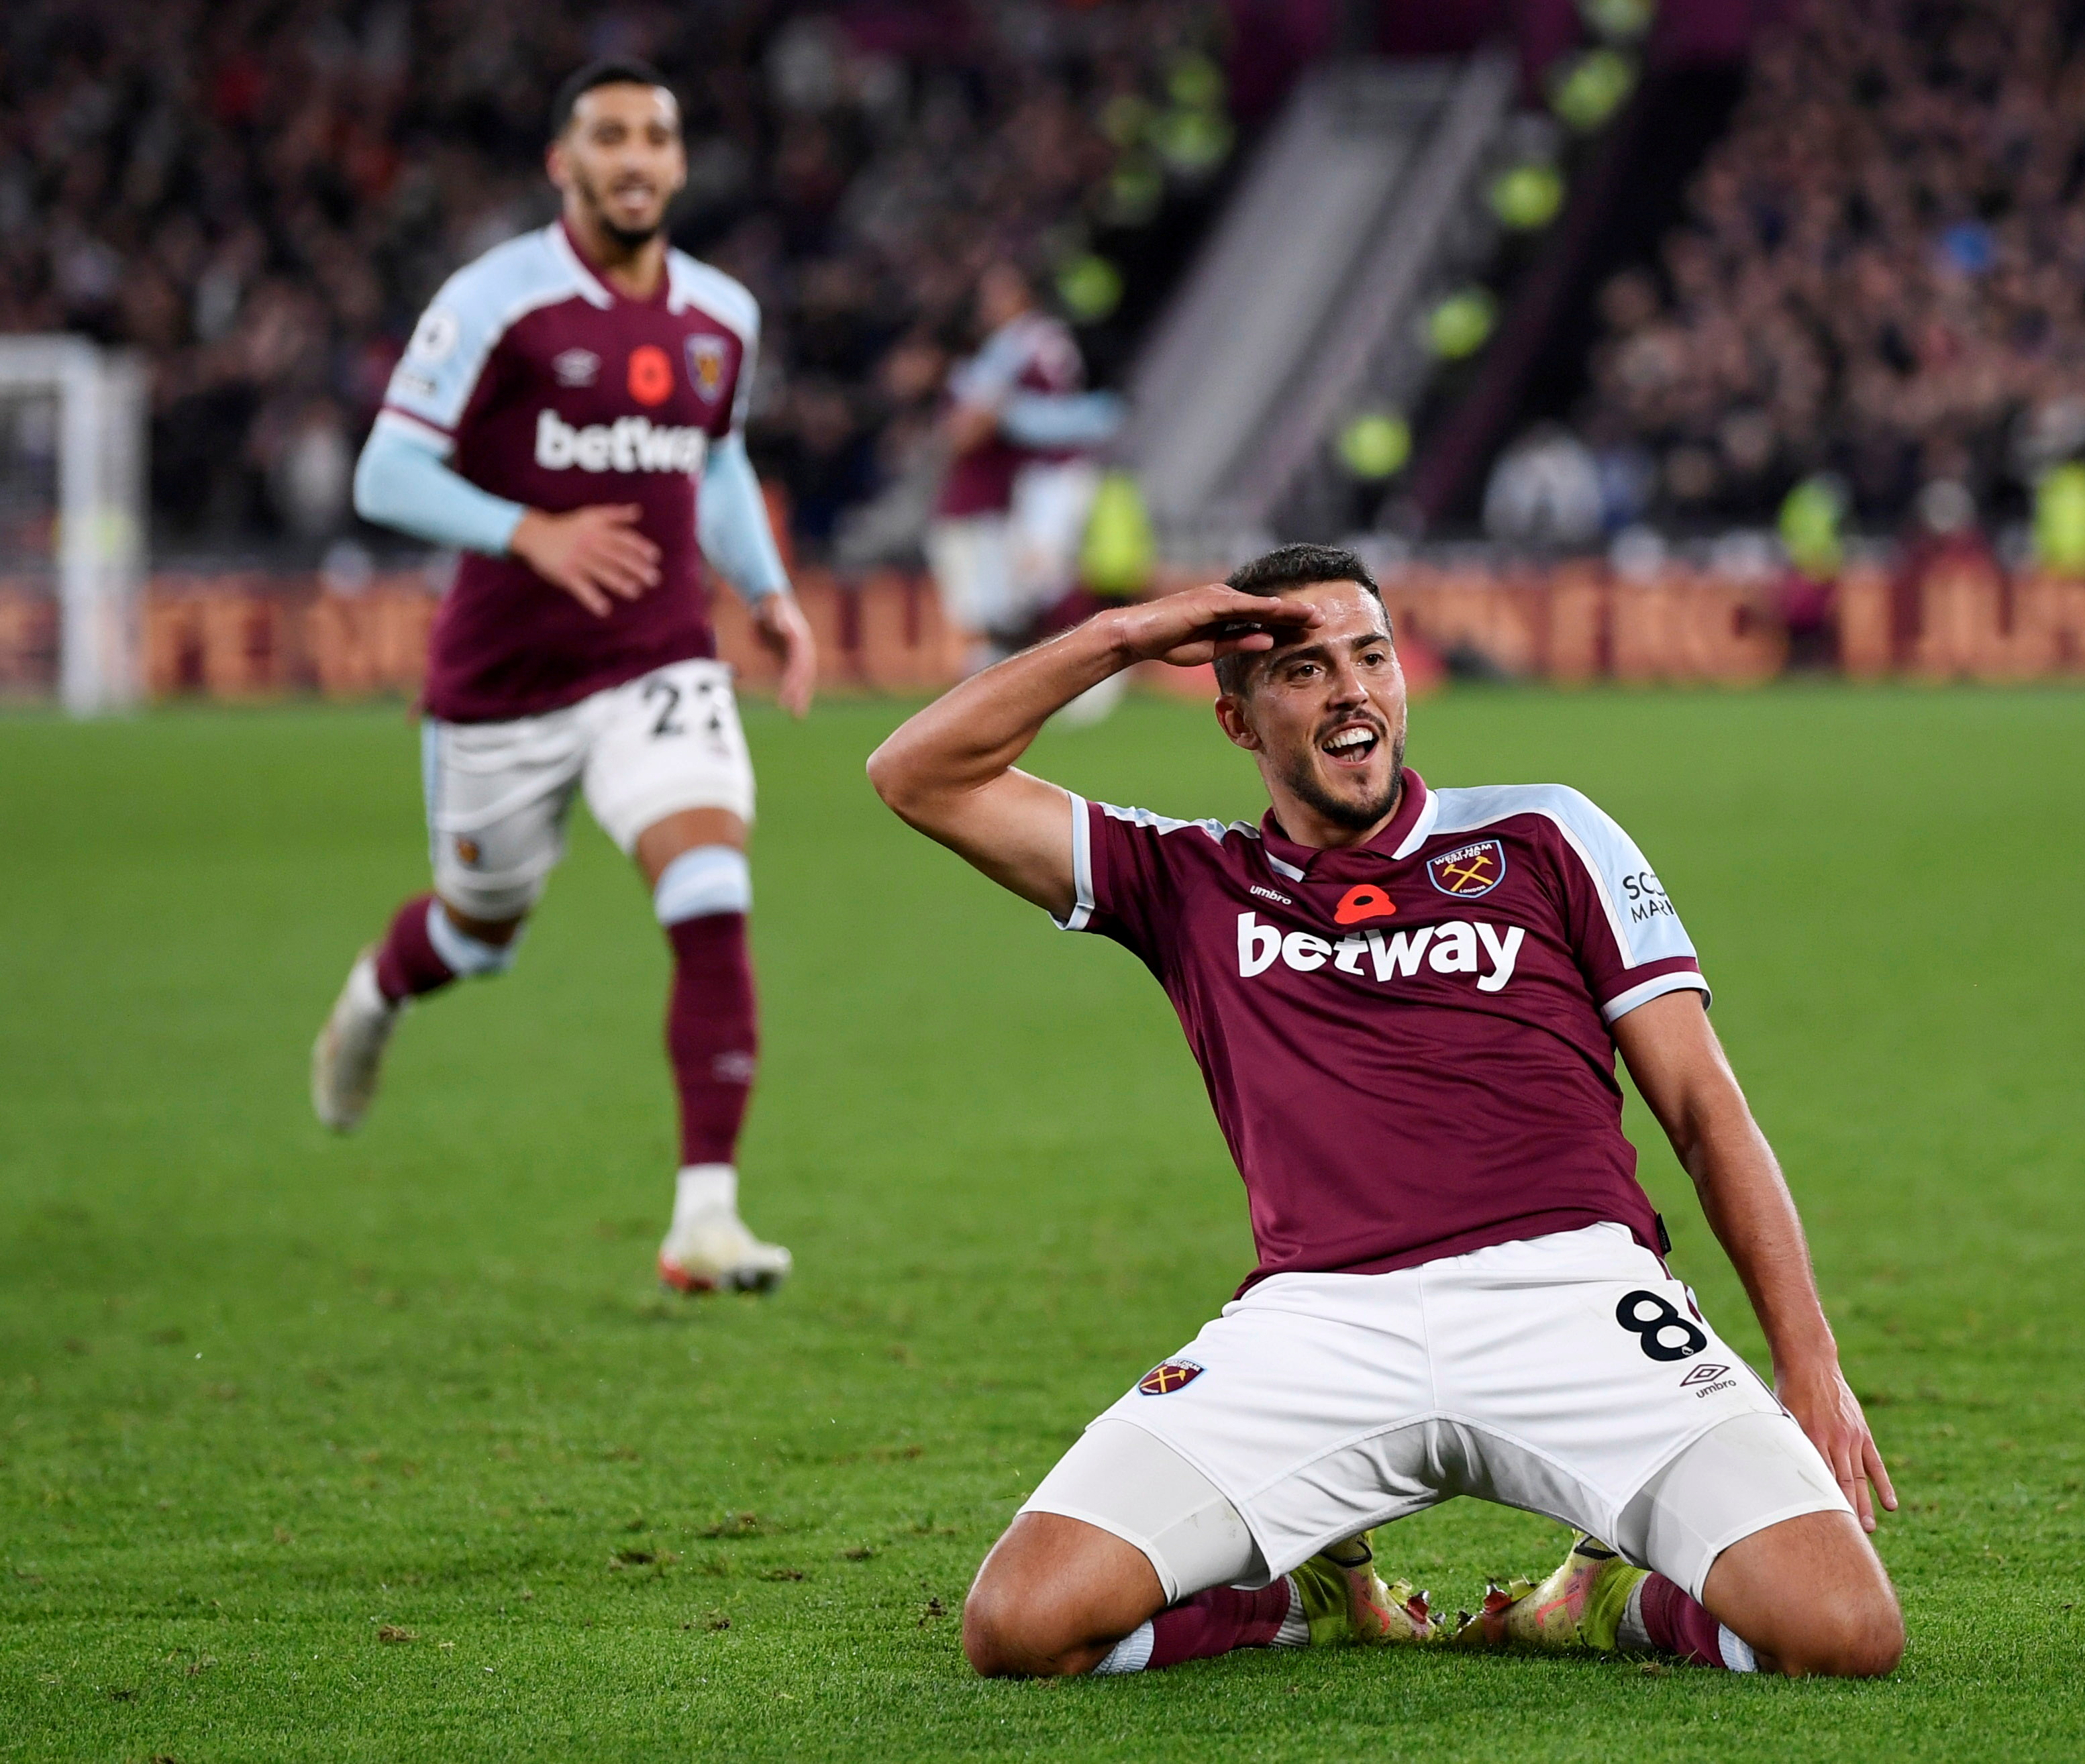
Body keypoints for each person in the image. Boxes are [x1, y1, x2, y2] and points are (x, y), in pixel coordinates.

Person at [865, 542, 1904, 1679]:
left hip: (1575, 1298)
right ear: (1237, 721)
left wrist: (1806, 1359)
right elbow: (919, 772)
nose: (1350, 687)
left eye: (1370, 654)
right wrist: (1123, 634)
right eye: (1302, 669)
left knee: (1843, 1630)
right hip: (1313, 1324)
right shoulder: (1186, 876)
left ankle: (1616, 1599)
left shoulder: (1545, 834)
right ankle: (1295, 1594)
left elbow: (1704, 1109)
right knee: (1017, 1624)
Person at [310, 58, 820, 1296]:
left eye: (657, 135)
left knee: (709, 888)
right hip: (503, 680)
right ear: (564, 161)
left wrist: (766, 592)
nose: (635, 156)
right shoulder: (496, 301)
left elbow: (715, 464)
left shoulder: (721, 318)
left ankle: (706, 1214)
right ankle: (376, 995)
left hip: (657, 658)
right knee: (478, 934)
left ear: (681, 162)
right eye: (608, 135)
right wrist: (526, 530)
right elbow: (384, 475)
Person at [925, 262, 1117, 680]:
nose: (987, 304)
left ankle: (1100, 665)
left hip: (1056, 472)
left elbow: (1001, 409)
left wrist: (1000, 413)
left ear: (1022, 297)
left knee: (1041, 576)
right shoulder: (1020, 343)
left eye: (998, 293)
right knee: (1029, 581)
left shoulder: (1032, 341)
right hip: (1037, 475)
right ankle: (1044, 670)